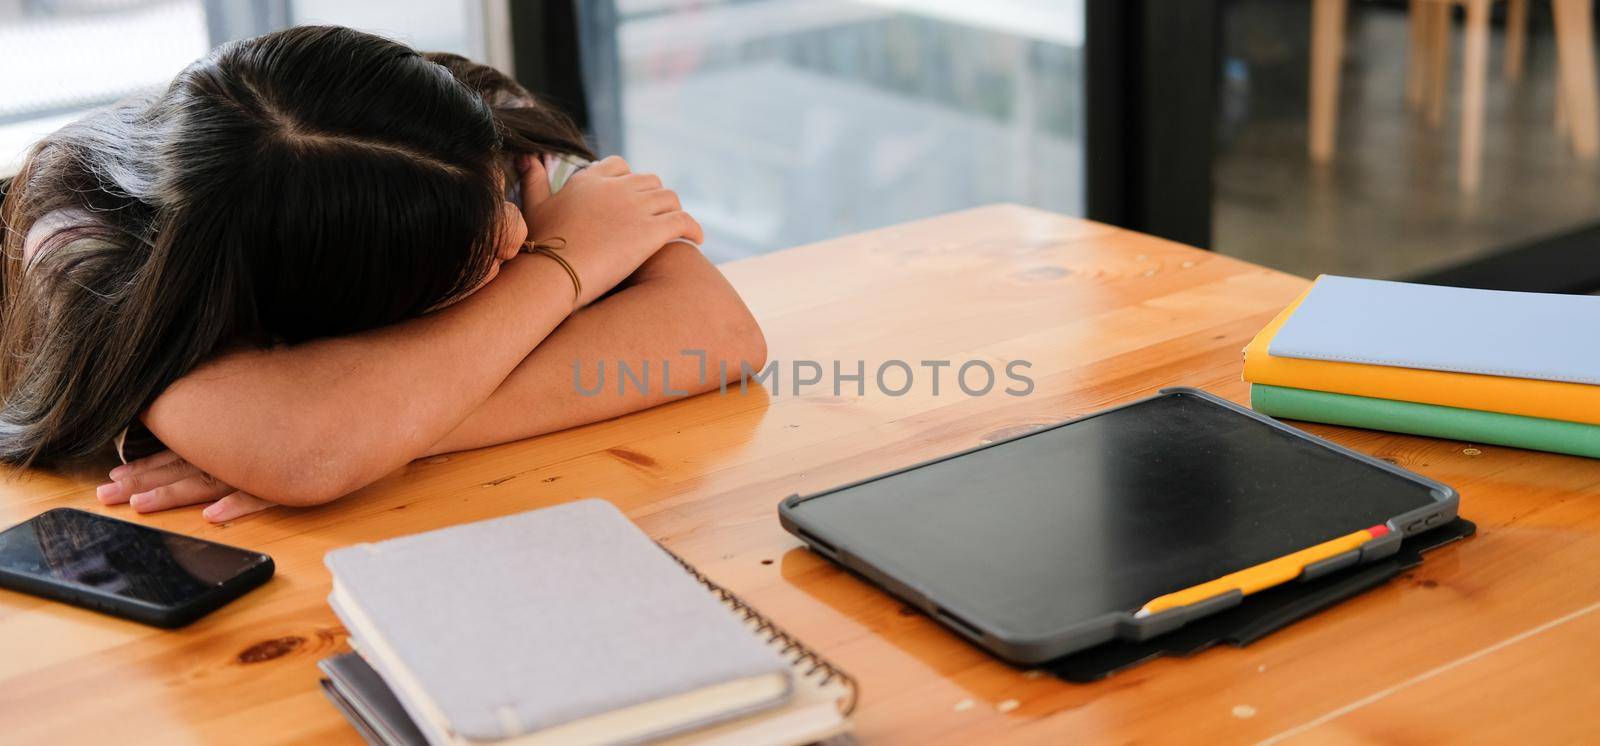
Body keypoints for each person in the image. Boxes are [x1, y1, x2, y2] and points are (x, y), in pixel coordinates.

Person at [0, 26, 765, 522]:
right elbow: (308, 447)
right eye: (475, 254)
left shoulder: (443, 119)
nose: (520, 228)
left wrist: (391, 421)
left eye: (491, 196)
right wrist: (563, 265)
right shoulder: (99, 260)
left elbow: (718, 335)